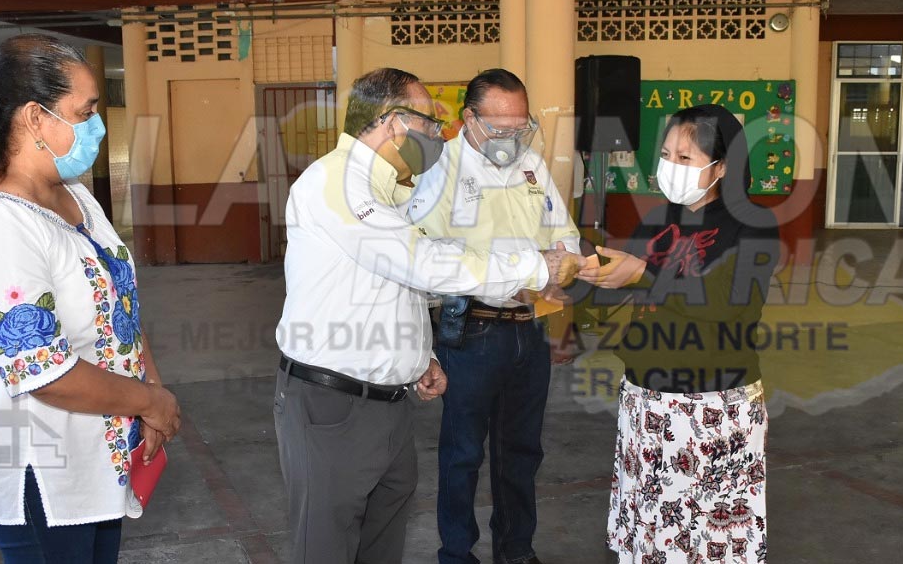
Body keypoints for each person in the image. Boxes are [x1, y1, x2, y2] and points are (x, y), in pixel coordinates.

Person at [275, 67, 583, 564]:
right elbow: (423, 263)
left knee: (381, 545)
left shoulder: (389, 188)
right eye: (428, 122)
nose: (437, 135)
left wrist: (421, 356)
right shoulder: (337, 183)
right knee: (326, 546)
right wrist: (534, 265)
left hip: (388, 400)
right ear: (392, 121)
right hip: (334, 401)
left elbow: (397, 286)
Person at [0, 34, 181, 563]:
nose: (97, 126)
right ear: (35, 118)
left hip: (100, 457)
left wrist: (151, 393)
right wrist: (149, 402)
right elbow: (43, 371)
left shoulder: (77, 197)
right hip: (41, 471)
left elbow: (122, 307)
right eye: (85, 112)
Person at [574, 104, 780, 564]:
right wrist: (577, 273)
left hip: (712, 405)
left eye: (685, 158)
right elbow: (622, 286)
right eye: (666, 155)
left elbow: (728, 304)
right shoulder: (658, 219)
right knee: (652, 528)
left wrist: (643, 273)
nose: (670, 166)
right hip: (646, 400)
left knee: (707, 535)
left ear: (722, 167)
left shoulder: (752, 225)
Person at [408, 68, 581, 564]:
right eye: (500, 127)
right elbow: (424, 258)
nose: (512, 137)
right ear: (469, 118)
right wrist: (517, 273)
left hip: (530, 329)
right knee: (463, 453)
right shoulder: (439, 169)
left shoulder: (531, 165)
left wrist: (560, 283)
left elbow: (564, 236)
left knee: (522, 452)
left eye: (520, 127)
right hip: (472, 332)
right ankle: (456, 554)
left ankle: (516, 550)